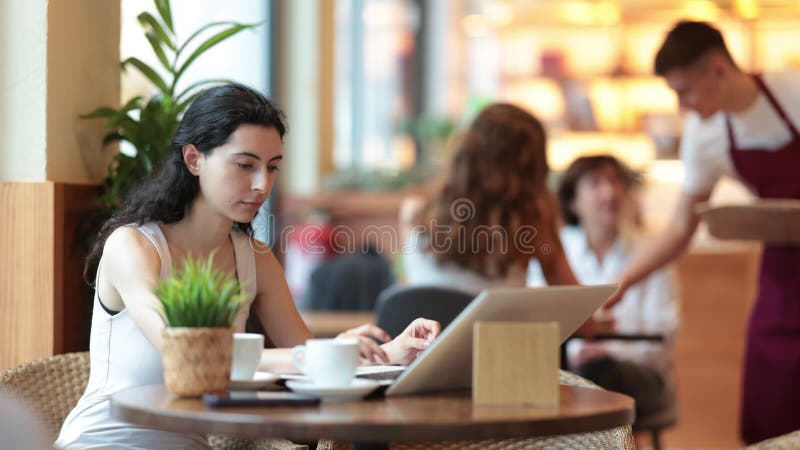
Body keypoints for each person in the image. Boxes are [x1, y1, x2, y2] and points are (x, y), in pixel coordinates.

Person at [55, 84, 440, 450]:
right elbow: (183, 351)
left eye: (272, 168)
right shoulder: (133, 246)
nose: (262, 185)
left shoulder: (254, 257)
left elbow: (304, 359)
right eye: (244, 165)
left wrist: (387, 353)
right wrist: (316, 355)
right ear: (193, 159)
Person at [606, 21, 800, 443]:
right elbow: (680, 228)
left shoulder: (793, 91)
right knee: (773, 403)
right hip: (783, 278)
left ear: (718, 69)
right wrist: (620, 284)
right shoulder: (705, 134)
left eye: (684, 91)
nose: (682, 105)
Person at [527, 155, 679, 431]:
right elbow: (537, 318)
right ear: (573, 201)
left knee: (588, 378)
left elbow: (664, 334)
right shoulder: (553, 252)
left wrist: (605, 351)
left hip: (640, 375)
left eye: (615, 181)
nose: (610, 192)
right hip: (569, 370)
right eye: (596, 183)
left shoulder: (650, 255)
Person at [400, 103, 582, 294]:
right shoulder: (532, 218)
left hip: (425, 315)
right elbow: (573, 300)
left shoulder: (415, 210)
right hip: (498, 316)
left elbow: (414, 290)